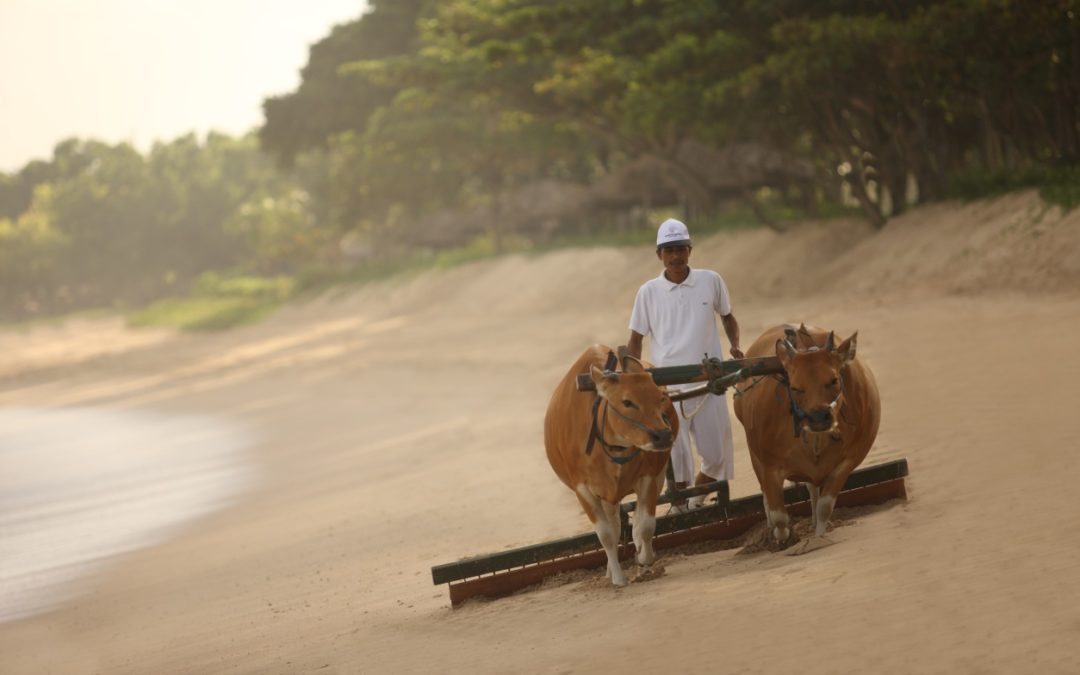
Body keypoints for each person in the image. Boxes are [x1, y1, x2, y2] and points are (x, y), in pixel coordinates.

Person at [627, 218, 744, 513]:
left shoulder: (711, 280)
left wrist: (734, 345)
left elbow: (728, 316)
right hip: (668, 390)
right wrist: (633, 375)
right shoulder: (648, 292)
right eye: (669, 251)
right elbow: (635, 338)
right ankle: (681, 510)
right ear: (659, 255)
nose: (675, 256)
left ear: (690, 250)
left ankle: (693, 504)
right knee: (676, 462)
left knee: (716, 456)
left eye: (680, 249)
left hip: (709, 383)